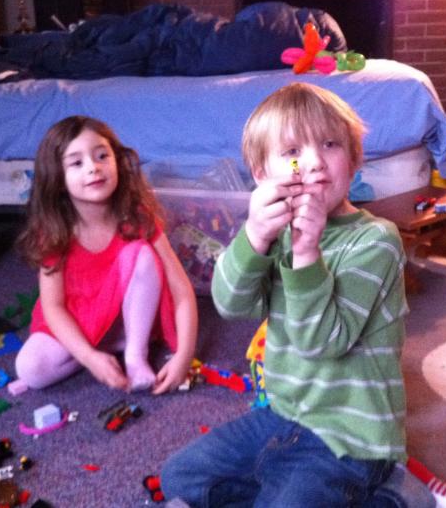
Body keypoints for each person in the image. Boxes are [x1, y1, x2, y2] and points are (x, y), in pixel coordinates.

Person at [161, 82, 410, 506]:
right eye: (293, 151)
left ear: (353, 159)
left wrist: (307, 253)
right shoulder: (273, 233)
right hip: (281, 416)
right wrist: (254, 237)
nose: (313, 162)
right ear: (262, 175)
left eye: (330, 144)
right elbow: (231, 303)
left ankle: (390, 497)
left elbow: (323, 343)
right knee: (180, 477)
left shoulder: (375, 241)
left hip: (350, 438)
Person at [14, 115, 197, 394]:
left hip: (130, 315)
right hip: (79, 319)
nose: (93, 168)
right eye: (77, 163)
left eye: (102, 156)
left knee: (141, 253)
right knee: (30, 370)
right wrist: (89, 357)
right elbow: (53, 307)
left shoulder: (136, 216)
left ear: (117, 163)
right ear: (58, 178)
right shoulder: (53, 230)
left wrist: (184, 355)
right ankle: (104, 347)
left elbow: (181, 289)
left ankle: (134, 354)